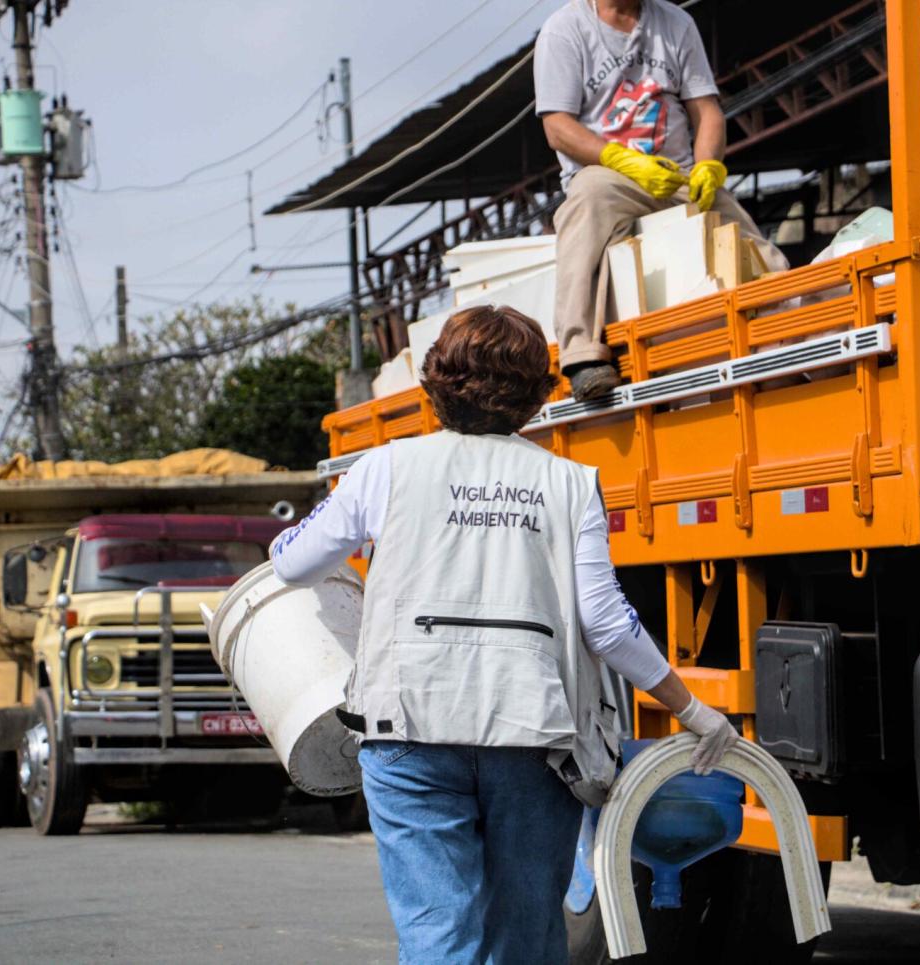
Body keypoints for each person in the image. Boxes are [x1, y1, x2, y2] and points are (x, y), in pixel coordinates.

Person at [271, 305, 737, 963]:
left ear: (435, 382)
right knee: (527, 937)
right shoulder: (570, 483)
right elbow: (606, 621)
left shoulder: (384, 467)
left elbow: (295, 562)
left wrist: (289, 533)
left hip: (408, 727)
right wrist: (691, 708)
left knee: (439, 937)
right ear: (537, 394)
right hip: (531, 734)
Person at [535, 0, 791, 401]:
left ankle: (796, 319)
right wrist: (617, 158)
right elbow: (557, 127)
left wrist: (708, 167)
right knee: (586, 200)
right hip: (609, 175)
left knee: (743, 231)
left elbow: (707, 112)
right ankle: (582, 353)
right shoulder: (564, 30)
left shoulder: (676, 23)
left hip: (678, 177)